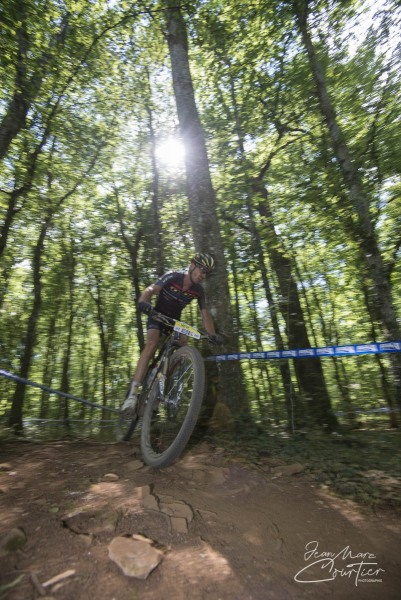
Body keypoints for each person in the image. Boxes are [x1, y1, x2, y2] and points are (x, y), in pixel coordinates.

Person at [121, 252, 219, 418]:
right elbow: (152, 289)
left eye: (206, 273)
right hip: (157, 316)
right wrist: (143, 302)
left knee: (183, 346)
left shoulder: (199, 291)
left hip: (174, 321)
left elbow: (205, 314)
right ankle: (133, 395)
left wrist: (212, 335)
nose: (203, 275)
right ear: (192, 265)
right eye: (202, 270)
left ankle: (159, 381)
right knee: (152, 344)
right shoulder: (173, 277)